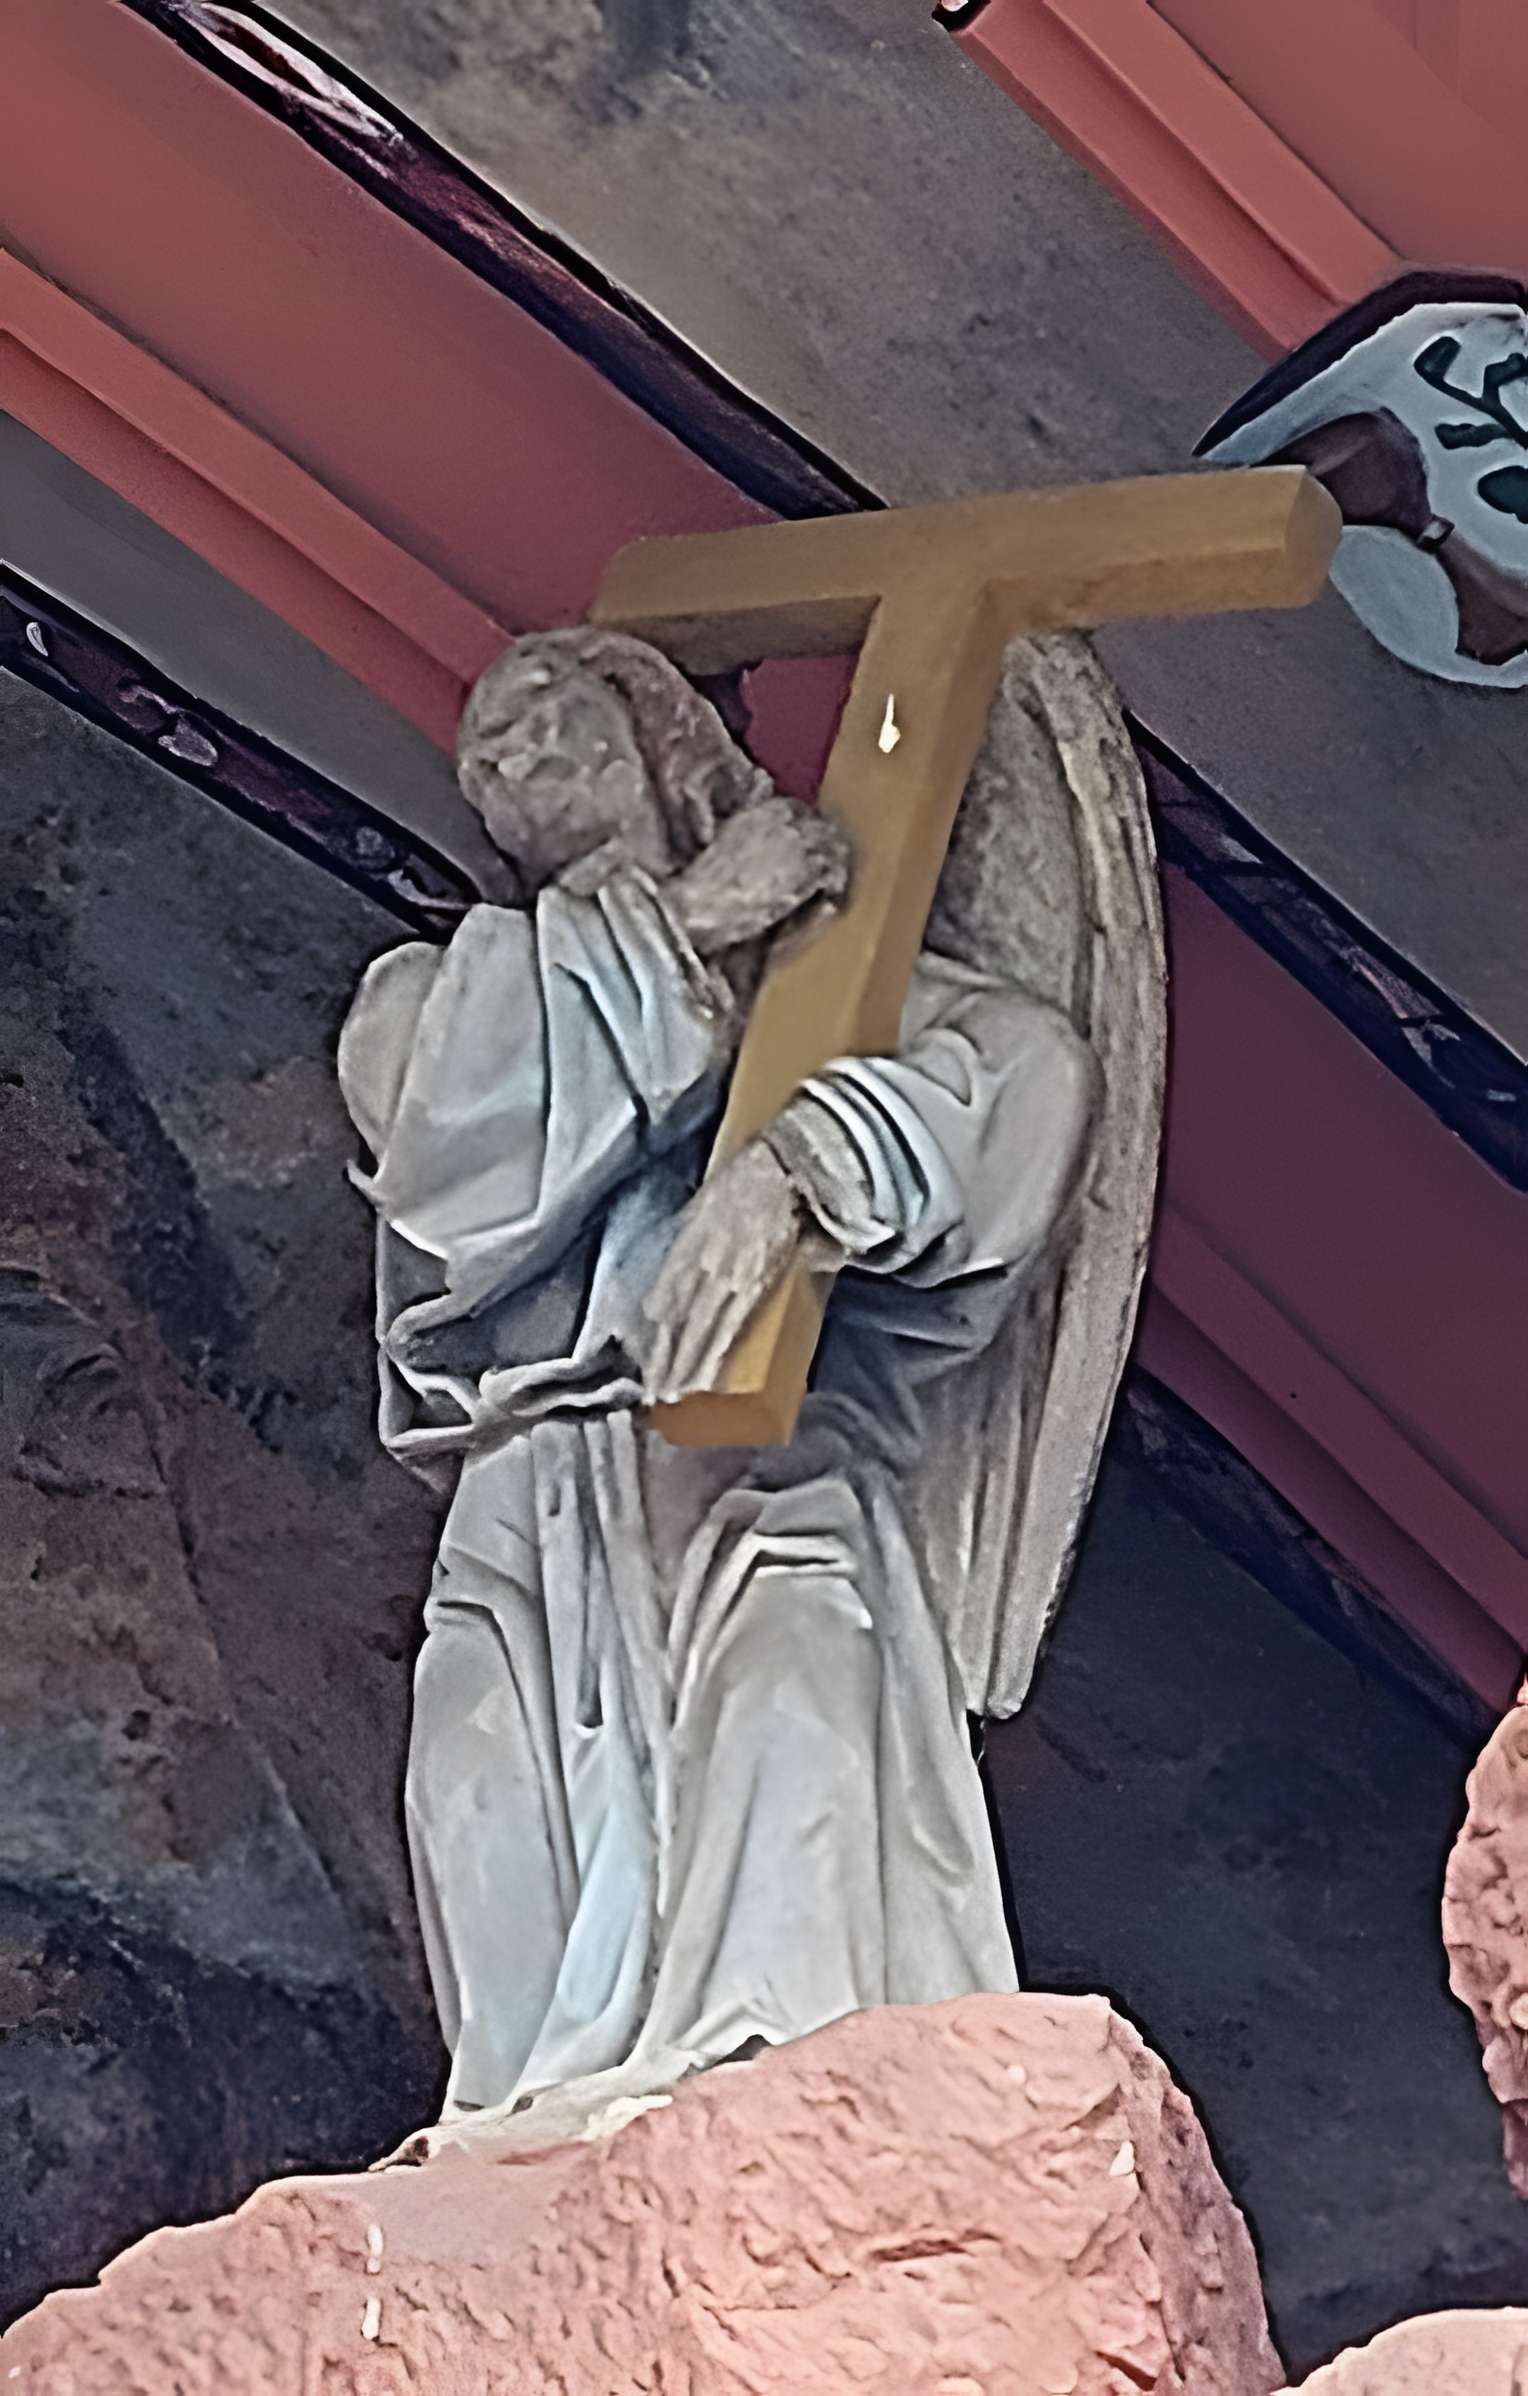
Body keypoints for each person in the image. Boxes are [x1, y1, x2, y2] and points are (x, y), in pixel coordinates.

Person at [338, 626, 1114, 2143]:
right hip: (531, 1492)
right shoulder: (443, 997)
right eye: (488, 745)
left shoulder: (843, 996)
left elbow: (1033, 1080)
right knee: (488, 1782)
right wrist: (688, 927)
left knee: (784, 1710)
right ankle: (530, 2129)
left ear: (671, 745)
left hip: (769, 1478)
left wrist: (803, 1172)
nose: (515, 749)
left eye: (558, 713)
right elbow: (445, 1142)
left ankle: (772, 2117)